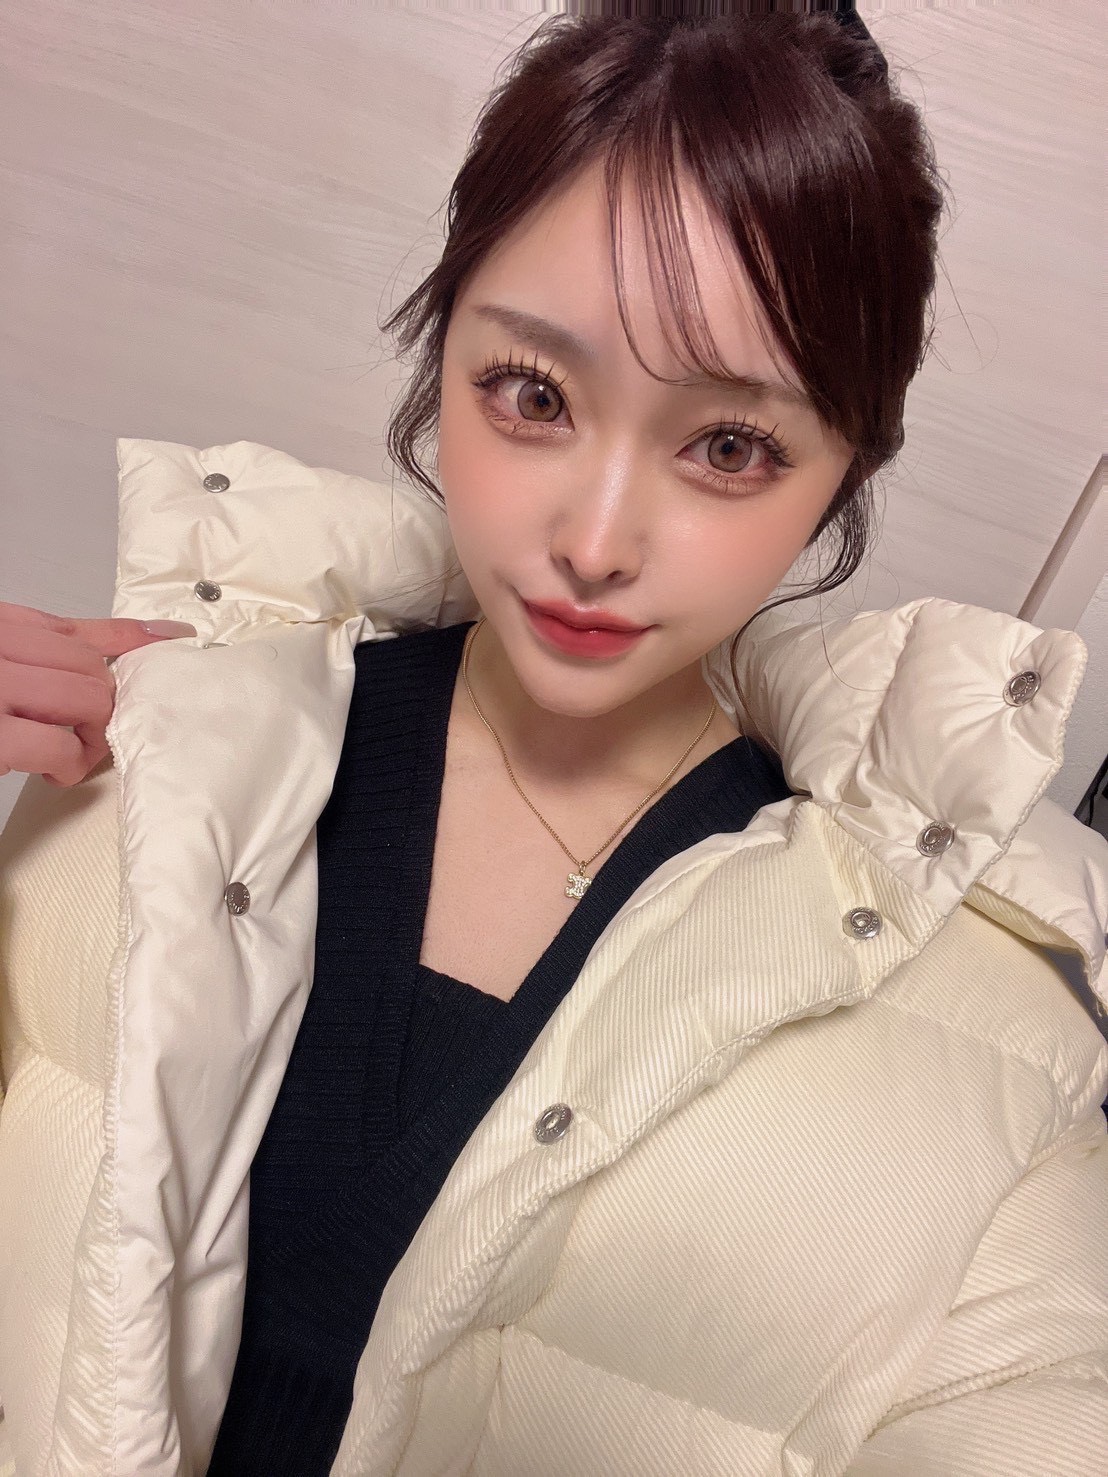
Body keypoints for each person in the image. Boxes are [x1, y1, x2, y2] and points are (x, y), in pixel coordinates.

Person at [1, 9, 1106, 1476]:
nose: (594, 541)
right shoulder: (140, 765)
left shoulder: (998, 1045)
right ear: (443, 340)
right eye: (534, 394)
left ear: (848, 468)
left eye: (729, 446)